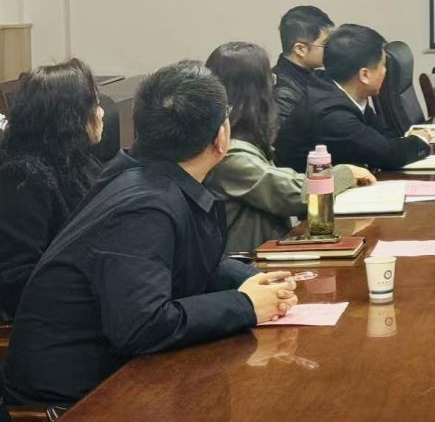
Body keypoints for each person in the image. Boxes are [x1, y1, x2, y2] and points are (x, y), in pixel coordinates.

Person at [2, 61, 299, 408]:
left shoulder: (145, 175)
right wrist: (244, 305)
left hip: (116, 376)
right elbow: (142, 325)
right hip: (75, 401)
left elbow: (190, 258)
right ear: (222, 137)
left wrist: (252, 280)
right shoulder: (144, 206)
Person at [204, 42, 375, 254]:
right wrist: (345, 173)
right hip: (247, 263)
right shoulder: (228, 154)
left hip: (268, 253)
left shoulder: (239, 143)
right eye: (271, 80)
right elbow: (293, 194)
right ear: (254, 92)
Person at [0, 60, 105, 320]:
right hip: (51, 321)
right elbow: (16, 278)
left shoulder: (80, 161)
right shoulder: (22, 176)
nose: (101, 113)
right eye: (95, 105)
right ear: (70, 115)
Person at [305, 24, 429, 170]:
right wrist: (421, 139)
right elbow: (388, 155)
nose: (385, 71)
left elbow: (384, 137)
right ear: (364, 75)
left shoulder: (345, 94)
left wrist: (405, 142)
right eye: (383, 65)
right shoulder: (333, 114)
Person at [273, 5, 334, 172]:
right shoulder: (282, 93)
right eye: (326, 45)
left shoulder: (317, 77)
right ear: (300, 49)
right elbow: (293, 154)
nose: (333, 50)